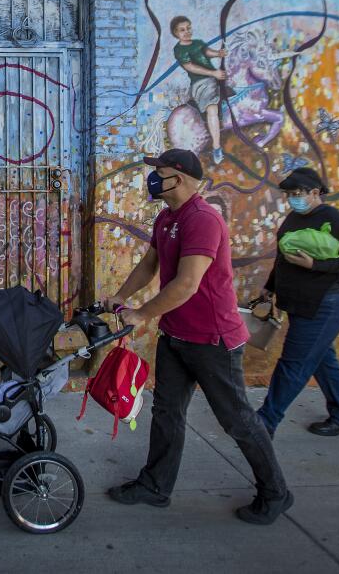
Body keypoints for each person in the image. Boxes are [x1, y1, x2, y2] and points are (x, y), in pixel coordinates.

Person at [104, 149, 292, 525]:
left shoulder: (204, 219)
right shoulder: (167, 217)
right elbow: (150, 264)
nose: (153, 178)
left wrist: (141, 314)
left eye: (160, 171)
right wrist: (122, 297)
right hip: (176, 334)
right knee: (166, 412)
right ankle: (155, 486)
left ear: (182, 177)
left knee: (236, 419)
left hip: (212, 340)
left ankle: (276, 492)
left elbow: (187, 283)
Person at [256, 167, 339, 438]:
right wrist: (270, 287)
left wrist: (314, 264)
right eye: (290, 194)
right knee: (322, 359)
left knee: (294, 362)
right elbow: (282, 257)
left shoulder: (335, 220)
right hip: (300, 301)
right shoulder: (294, 218)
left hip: (326, 303)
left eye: (297, 193)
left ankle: (265, 421)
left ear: (315, 193)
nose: (293, 198)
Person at [170, 16, 228, 165]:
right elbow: (190, 67)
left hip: (215, 79)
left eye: (188, 28)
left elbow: (206, 52)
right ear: (176, 33)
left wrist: (218, 53)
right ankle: (216, 147)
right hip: (201, 83)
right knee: (212, 109)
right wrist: (213, 73)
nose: (187, 32)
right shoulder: (179, 49)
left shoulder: (197, 43)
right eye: (182, 30)